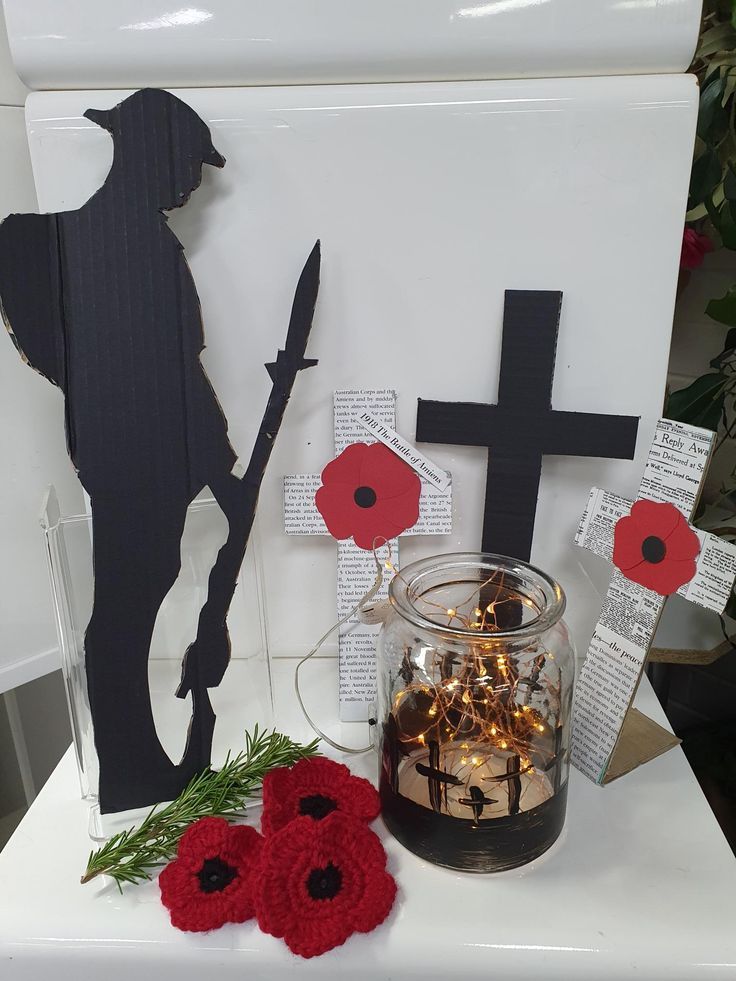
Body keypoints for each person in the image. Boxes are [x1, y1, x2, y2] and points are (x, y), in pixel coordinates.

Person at [0, 89, 319, 812]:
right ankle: (132, 761)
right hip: (136, 460)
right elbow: (168, 374)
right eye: (185, 163)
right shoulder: (119, 243)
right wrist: (214, 464)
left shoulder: (133, 239)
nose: (192, 182)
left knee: (138, 593)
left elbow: (179, 374)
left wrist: (218, 468)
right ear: (150, 152)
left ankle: (138, 753)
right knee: (126, 605)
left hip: (138, 455)